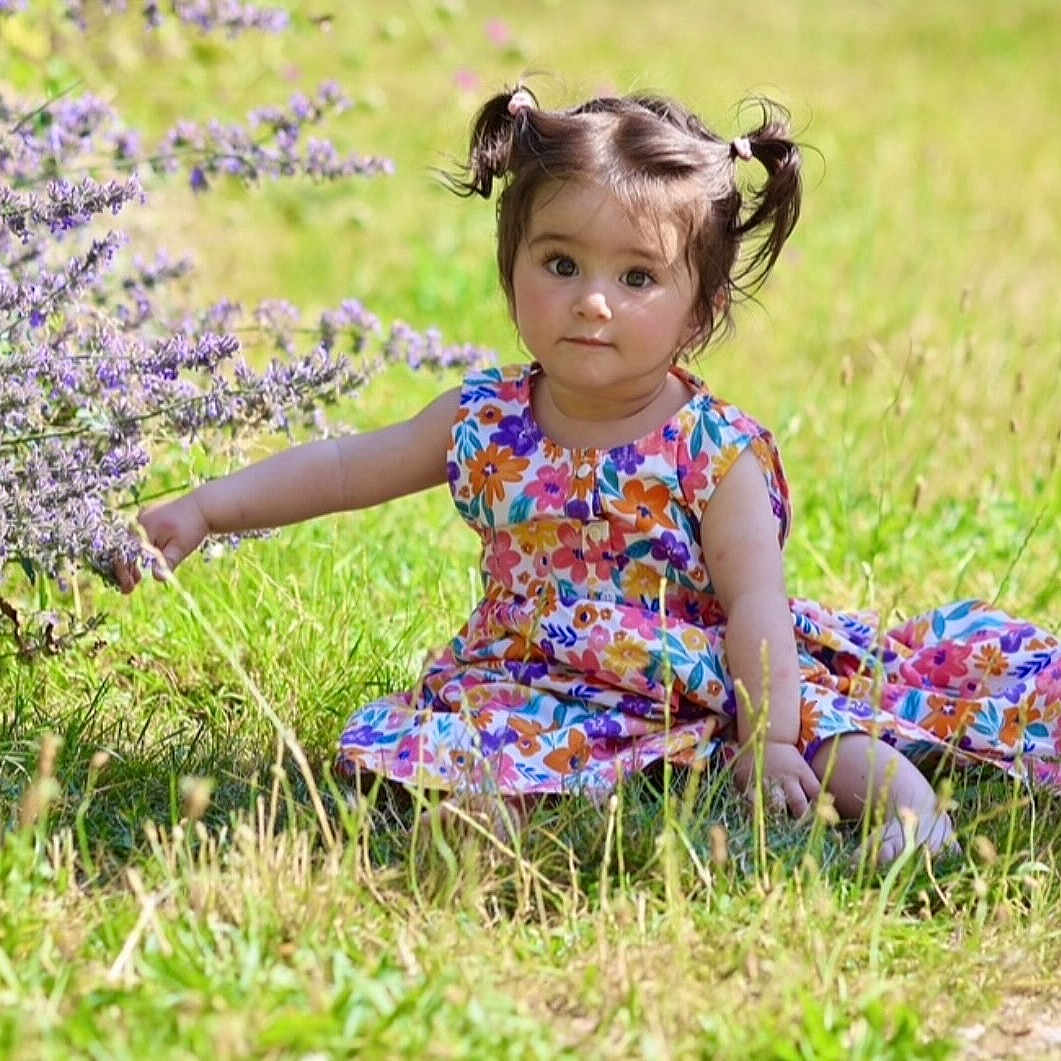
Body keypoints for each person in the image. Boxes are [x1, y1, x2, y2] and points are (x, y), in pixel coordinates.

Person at [115, 85, 1061, 863]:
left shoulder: (710, 451)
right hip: (529, 678)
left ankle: (914, 824)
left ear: (699, 310)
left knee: (831, 737)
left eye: (638, 279)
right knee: (480, 749)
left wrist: (767, 732)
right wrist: (208, 507)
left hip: (701, 677)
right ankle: (485, 830)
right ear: (511, 269)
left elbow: (756, 608)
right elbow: (343, 465)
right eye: (560, 263)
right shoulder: (488, 418)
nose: (593, 302)